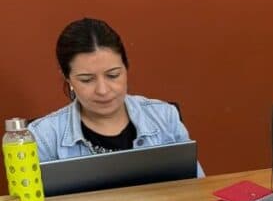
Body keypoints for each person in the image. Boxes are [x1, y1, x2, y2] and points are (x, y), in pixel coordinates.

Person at [29, 17, 203, 175]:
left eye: (113, 75)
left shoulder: (164, 117)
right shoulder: (44, 137)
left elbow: (196, 189)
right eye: (87, 80)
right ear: (68, 79)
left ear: (126, 68)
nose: (103, 90)